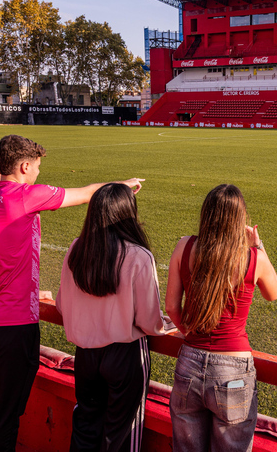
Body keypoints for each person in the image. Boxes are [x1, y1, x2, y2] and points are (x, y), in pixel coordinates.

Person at [0, 134, 144, 452]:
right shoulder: (25, 195)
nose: (38, 173)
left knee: (3, 405)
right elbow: (88, 194)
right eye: (36, 167)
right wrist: (123, 185)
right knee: (7, 413)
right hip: (11, 324)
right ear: (24, 166)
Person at [56, 183, 176, 452]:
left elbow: (62, 305)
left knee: (85, 427)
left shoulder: (76, 248)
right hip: (125, 356)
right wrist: (166, 324)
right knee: (122, 436)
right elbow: (149, 321)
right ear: (129, 214)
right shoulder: (138, 255)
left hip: (85, 355)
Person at [165, 184, 277, 452]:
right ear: (241, 219)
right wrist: (258, 245)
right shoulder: (254, 258)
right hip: (234, 369)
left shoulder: (184, 246)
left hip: (189, 363)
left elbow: (171, 306)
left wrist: (188, 332)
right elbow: (273, 293)